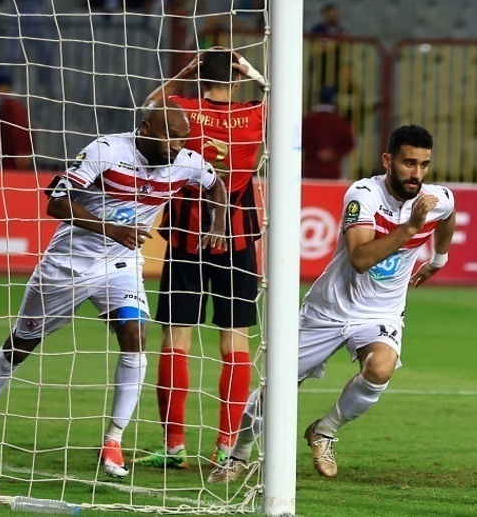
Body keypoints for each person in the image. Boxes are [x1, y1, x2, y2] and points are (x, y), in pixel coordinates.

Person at [0, 103, 228, 478]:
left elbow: (216, 184)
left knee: (135, 335)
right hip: (68, 263)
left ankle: (114, 440)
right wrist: (112, 229)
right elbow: (56, 203)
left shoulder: (187, 162)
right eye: (167, 136)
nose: (175, 146)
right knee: (20, 345)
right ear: (144, 128)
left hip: (121, 265)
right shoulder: (106, 151)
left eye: (181, 139)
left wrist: (218, 223)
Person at [207, 124, 457, 483]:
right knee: (277, 386)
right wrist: (409, 228)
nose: (416, 174)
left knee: (381, 368)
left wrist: (439, 260)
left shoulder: (436, 199)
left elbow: (448, 212)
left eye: (423, 165)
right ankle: (239, 454)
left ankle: (324, 431)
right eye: (408, 163)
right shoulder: (364, 195)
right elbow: (359, 258)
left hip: (380, 312)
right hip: (328, 309)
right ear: (388, 160)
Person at [137, 48, 267, 469]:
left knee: (176, 339)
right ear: (236, 79)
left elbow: (149, 109)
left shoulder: (183, 111)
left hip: (185, 235)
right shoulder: (256, 112)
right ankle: (227, 447)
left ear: (199, 74)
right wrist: (255, 75)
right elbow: (283, 101)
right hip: (239, 238)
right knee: (235, 341)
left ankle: (173, 447)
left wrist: (183, 74)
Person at [302, 87, 356, 180]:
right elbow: (349, 143)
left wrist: (316, 152)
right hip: (333, 169)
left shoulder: (308, 120)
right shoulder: (341, 121)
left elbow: (301, 140)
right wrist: (334, 153)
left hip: (311, 169)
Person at [0, 73, 33, 170]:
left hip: (11, 158)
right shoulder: (10, 105)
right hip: (8, 156)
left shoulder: (10, 106)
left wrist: (21, 151)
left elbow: (19, 129)